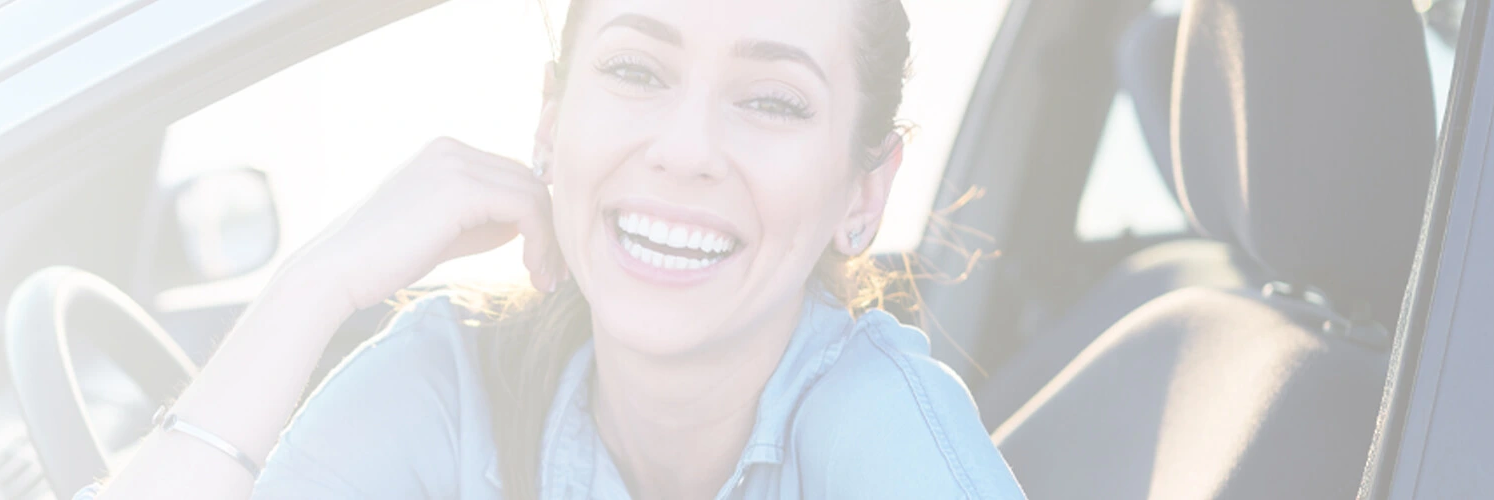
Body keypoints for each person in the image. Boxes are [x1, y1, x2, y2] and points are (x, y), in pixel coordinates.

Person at [84, 0, 1023, 498]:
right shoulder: (451, 383)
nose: (685, 150)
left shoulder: (879, 423)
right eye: (634, 70)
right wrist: (312, 286)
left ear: (864, 193)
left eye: (772, 100)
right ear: (551, 118)